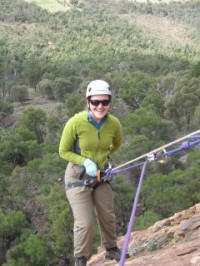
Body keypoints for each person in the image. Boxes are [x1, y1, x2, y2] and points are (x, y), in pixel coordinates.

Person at [59, 80, 128, 266]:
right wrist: (85, 161)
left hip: (100, 175)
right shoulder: (75, 123)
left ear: (110, 103)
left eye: (105, 102)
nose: (100, 106)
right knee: (85, 222)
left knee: (107, 214)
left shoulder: (114, 123)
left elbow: (117, 143)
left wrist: (104, 158)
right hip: (77, 177)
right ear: (88, 101)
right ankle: (81, 259)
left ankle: (111, 249)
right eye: (95, 102)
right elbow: (63, 151)